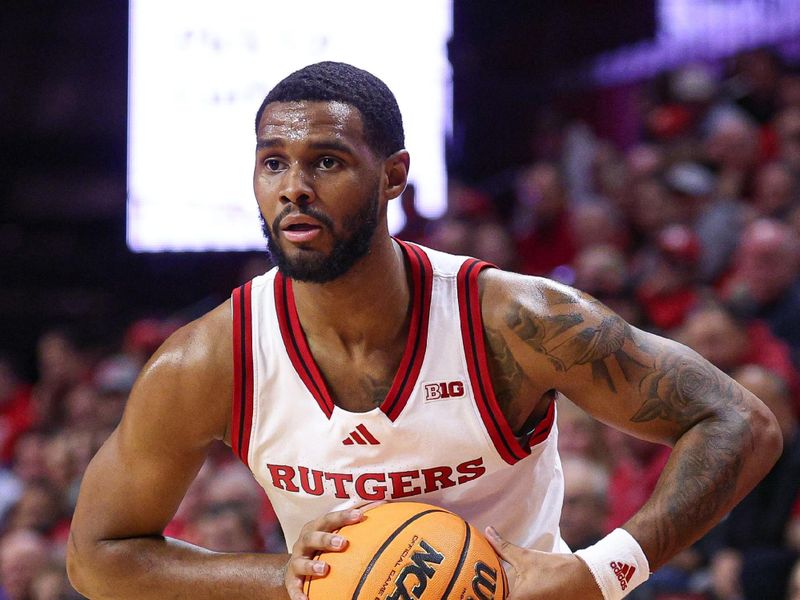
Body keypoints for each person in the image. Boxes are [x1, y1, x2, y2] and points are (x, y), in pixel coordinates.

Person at [65, 62, 782, 600]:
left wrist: (603, 571)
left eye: (327, 161)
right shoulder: (210, 359)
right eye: (273, 163)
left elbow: (739, 421)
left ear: (394, 175)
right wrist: (284, 577)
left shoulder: (512, 320)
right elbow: (97, 554)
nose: (293, 188)